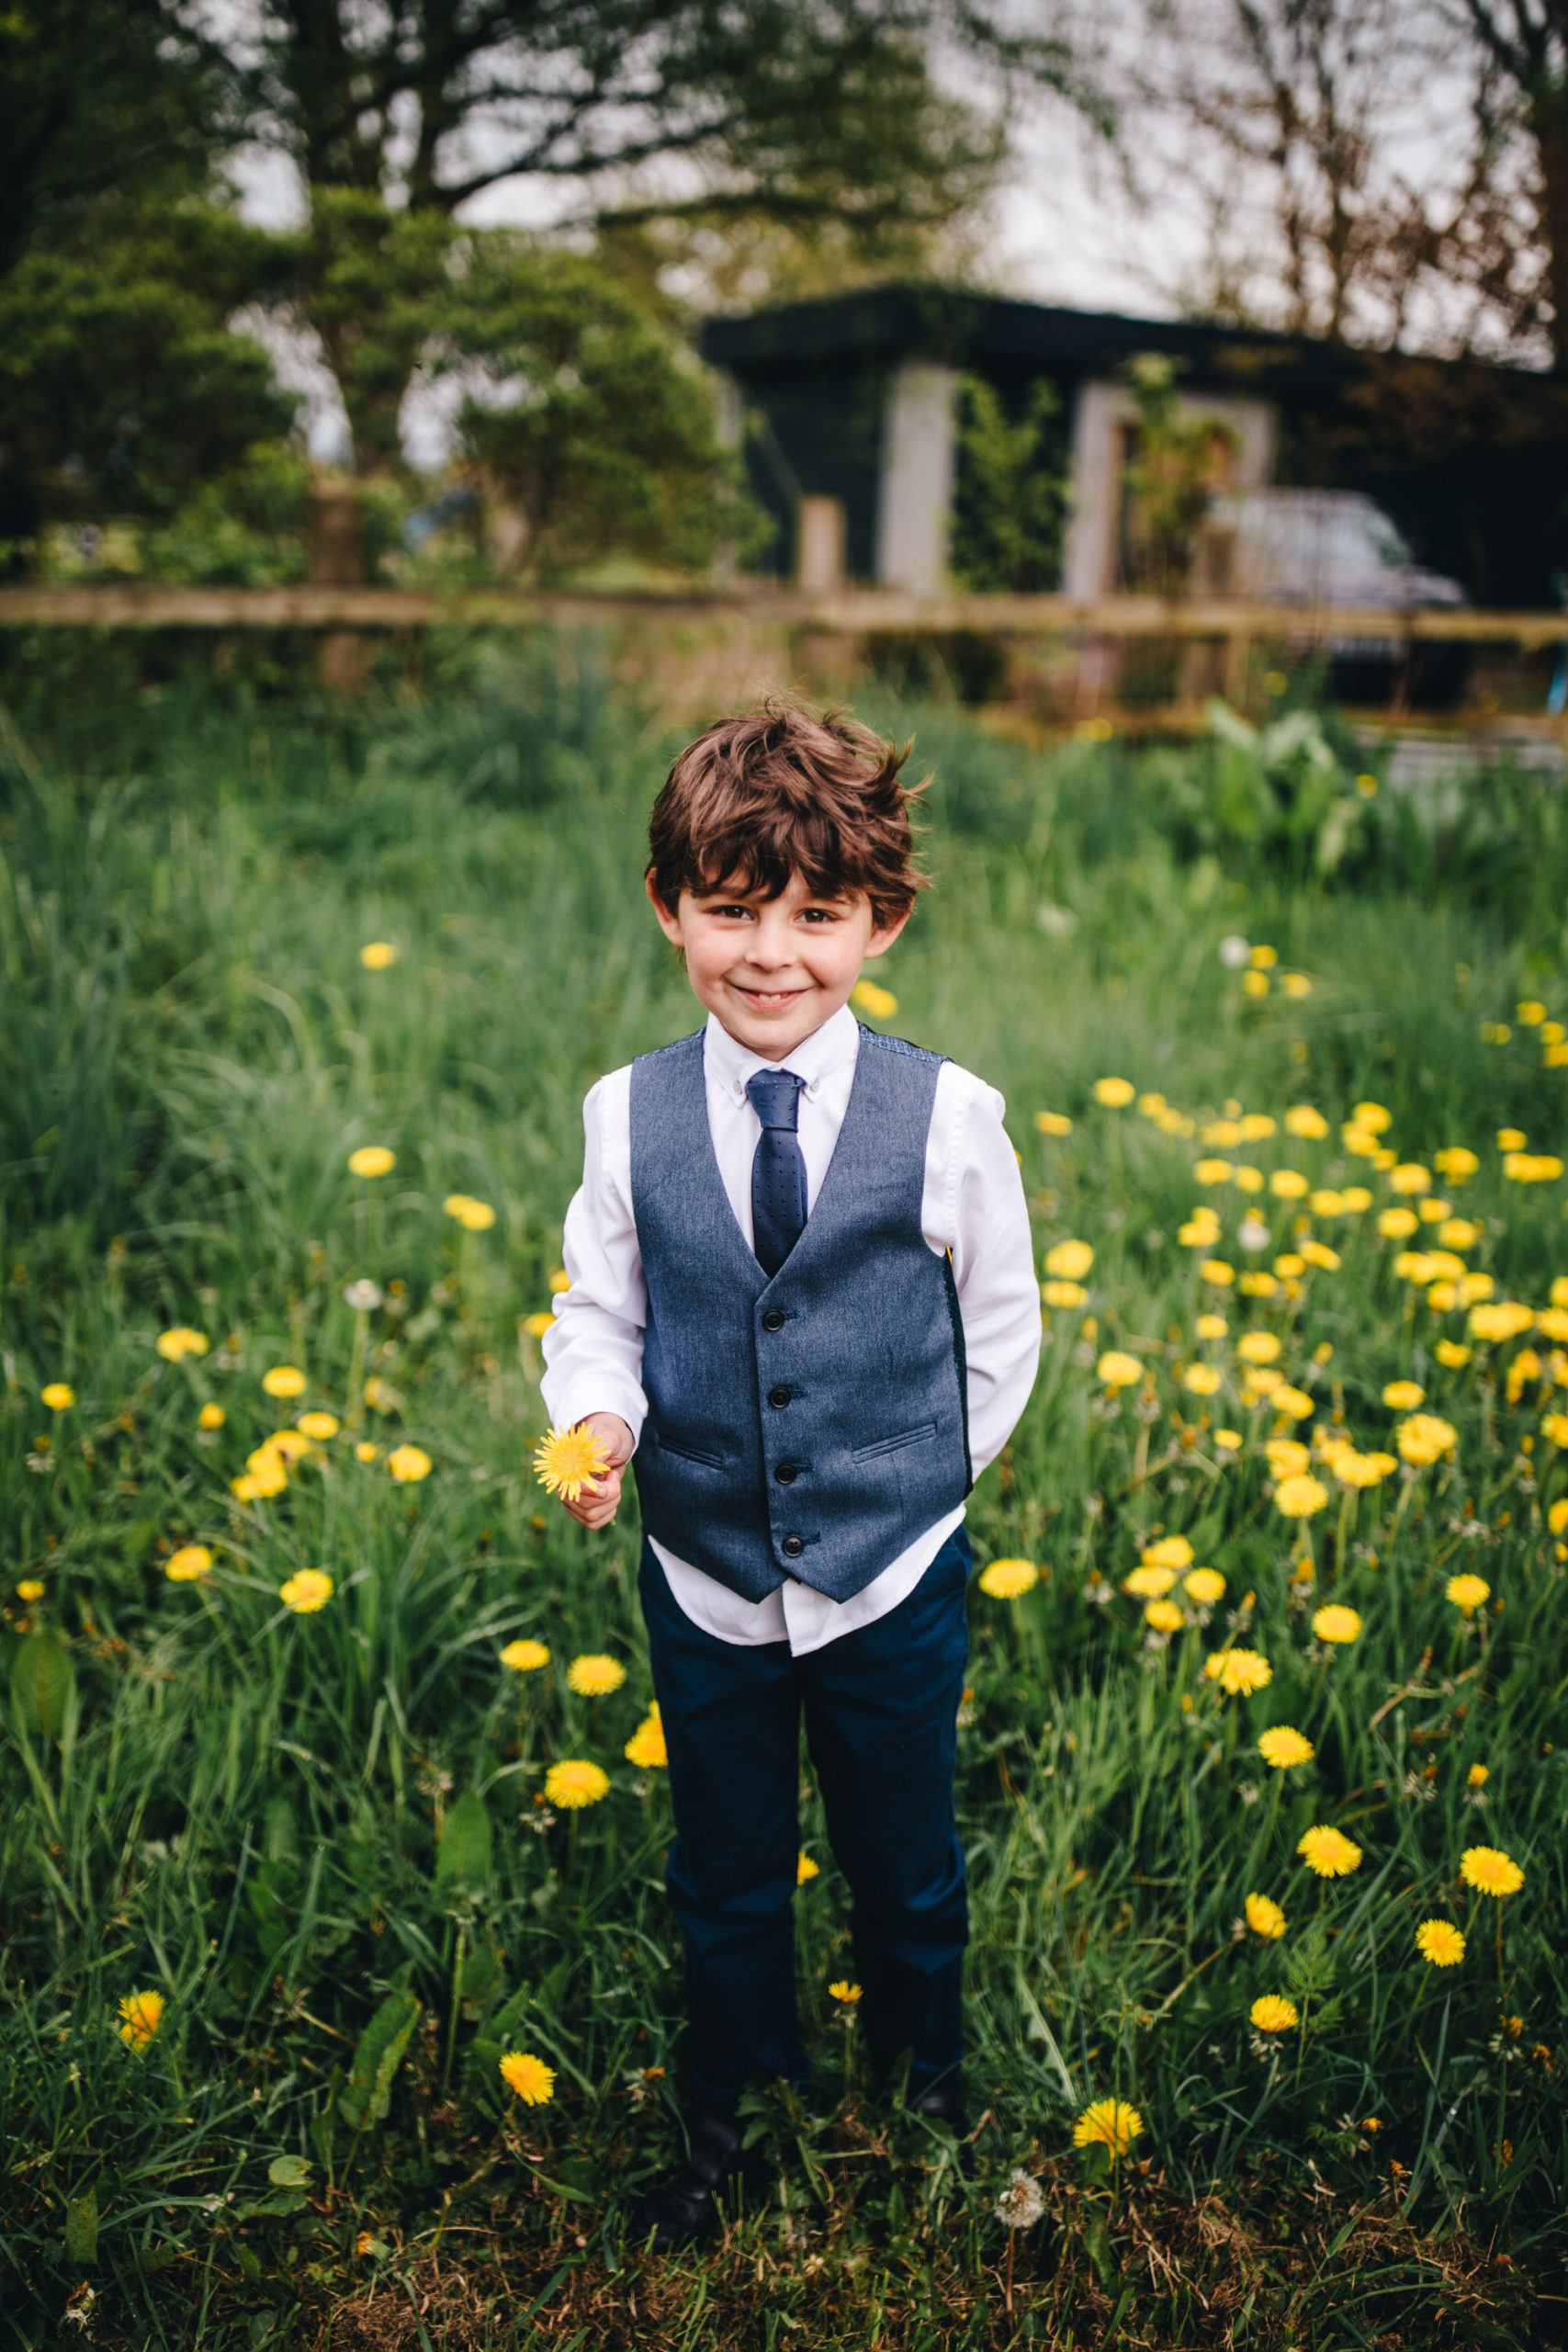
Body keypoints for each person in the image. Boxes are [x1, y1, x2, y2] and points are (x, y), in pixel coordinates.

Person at [540, 702, 1041, 2249]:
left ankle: (925, 2080)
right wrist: (604, 1421)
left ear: (879, 920)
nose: (772, 952)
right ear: (668, 907)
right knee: (728, 1864)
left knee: (905, 1850)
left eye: (818, 915)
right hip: (706, 1573)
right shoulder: (625, 1118)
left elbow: (1001, 1330)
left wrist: (918, 1493)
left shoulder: (947, 1119)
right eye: (733, 909)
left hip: (892, 1574)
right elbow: (598, 1312)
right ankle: (728, 2108)